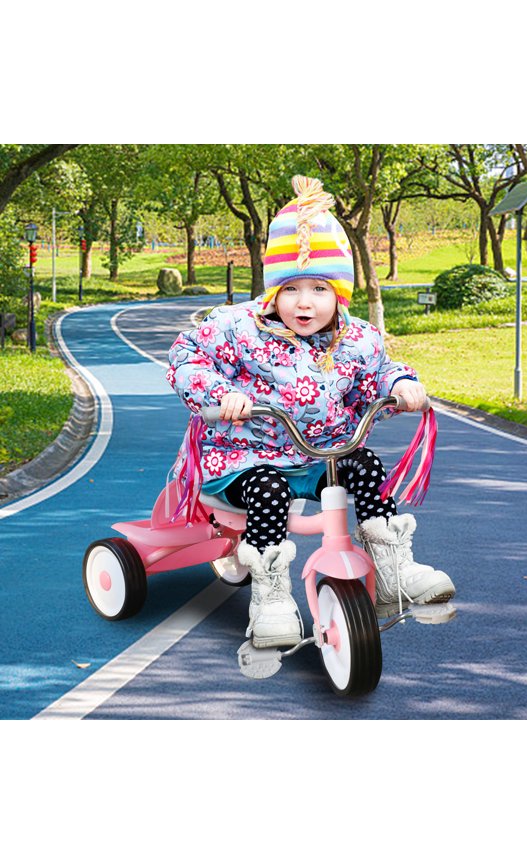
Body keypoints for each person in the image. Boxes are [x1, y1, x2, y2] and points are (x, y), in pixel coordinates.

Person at [167, 176, 455, 649]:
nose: (305, 302)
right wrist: (221, 395)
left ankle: (392, 568)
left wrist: (400, 386)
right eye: (291, 288)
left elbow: (378, 372)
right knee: (269, 489)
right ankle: (271, 594)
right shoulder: (239, 328)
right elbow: (187, 356)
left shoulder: (356, 337)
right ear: (272, 291)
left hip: (322, 455)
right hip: (245, 458)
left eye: (320, 288)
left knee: (364, 466)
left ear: (339, 293)